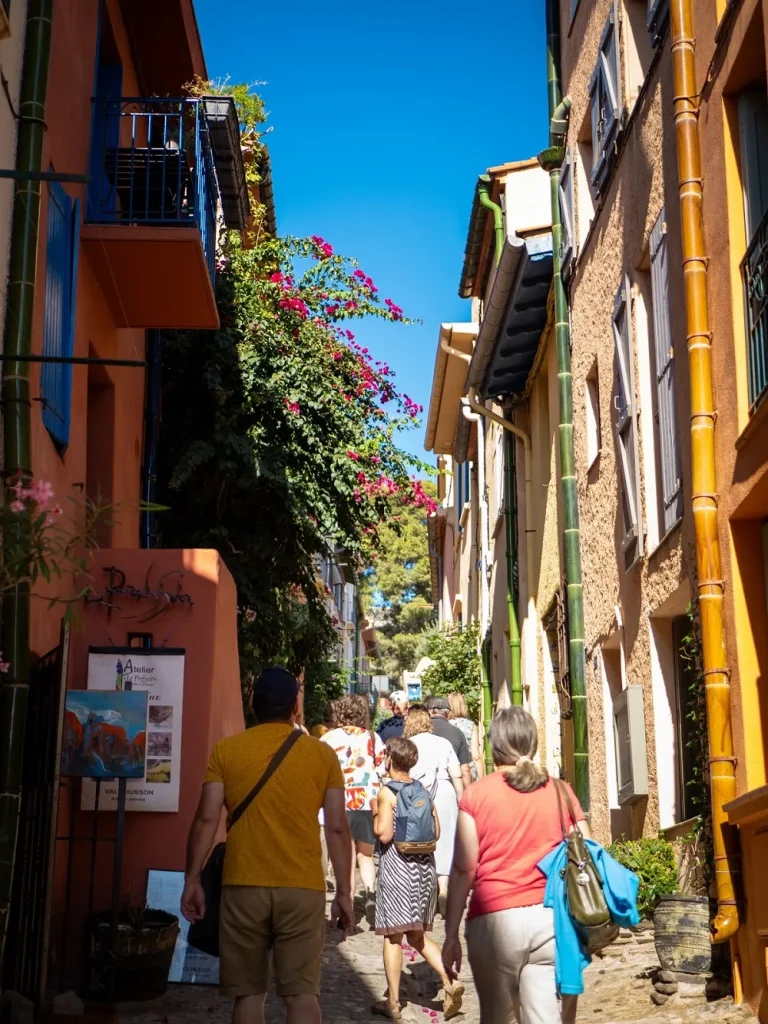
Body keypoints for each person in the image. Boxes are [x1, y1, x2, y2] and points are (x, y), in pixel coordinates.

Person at [181, 667, 353, 1024]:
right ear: (296, 709)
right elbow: (337, 828)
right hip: (302, 887)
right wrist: (345, 893)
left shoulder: (227, 751)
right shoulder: (321, 756)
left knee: (248, 995)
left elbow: (206, 818)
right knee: (302, 995)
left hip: (242, 884)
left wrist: (192, 879)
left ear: (252, 704)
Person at [441, 706, 588, 1024]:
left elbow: (465, 868)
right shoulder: (561, 791)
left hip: (495, 923)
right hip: (550, 919)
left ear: (494, 746)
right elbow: (586, 853)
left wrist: (450, 933)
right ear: (533, 743)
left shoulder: (476, 795)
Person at [371, 737, 464, 1021]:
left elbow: (384, 834)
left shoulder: (387, 792)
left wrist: (376, 813)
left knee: (393, 936)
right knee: (418, 935)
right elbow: (435, 830)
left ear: (390, 760)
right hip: (423, 868)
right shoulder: (422, 789)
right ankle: (450, 980)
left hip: (397, 868)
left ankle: (394, 1003)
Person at [321, 694, 386, 927]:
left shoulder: (328, 738)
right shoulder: (372, 737)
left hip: (340, 800)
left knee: (345, 854)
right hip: (368, 801)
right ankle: (370, 893)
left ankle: (345, 902)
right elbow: (383, 767)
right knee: (365, 854)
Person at [403, 704, 463, 916]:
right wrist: (460, 799)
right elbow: (456, 773)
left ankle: (423, 892)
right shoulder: (443, 743)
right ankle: (444, 889)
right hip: (444, 791)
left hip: (417, 793)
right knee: (446, 840)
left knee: (420, 840)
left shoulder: (407, 744)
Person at [425, 696, 473, 788]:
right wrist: (469, 793)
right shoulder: (457, 733)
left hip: (423, 789)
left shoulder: (422, 731)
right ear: (449, 713)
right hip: (451, 787)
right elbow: (465, 769)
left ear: (430, 712)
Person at [447, 692, 484, 781]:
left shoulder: (446, 725)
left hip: (450, 770)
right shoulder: (470, 725)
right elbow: (476, 755)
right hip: (468, 769)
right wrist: (482, 779)